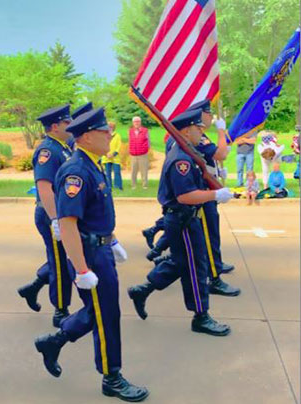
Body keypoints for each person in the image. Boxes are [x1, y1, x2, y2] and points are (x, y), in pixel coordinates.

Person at [35, 107, 149, 402]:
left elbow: (94, 216)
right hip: (89, 254)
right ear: (86, 136)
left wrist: (112, 240)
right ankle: (112, 377)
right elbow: (69, 224)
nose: (110, 134)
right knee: (107, 315)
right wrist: (82, 269)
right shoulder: (77, 171)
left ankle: (55, 341)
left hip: (100, 249)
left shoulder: (92, 164)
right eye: (104, 131)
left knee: (101, 310)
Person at [129, 108, 235, 336]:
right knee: (197, 268)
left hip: (185, 219)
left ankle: (143, 289)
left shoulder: (188, 153)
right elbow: (185, 196)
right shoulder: (182, 160)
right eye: (199, 127)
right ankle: (201, 316)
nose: (202, 131)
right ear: (187, 130)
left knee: (181, 263)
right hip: (183, 219)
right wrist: (215, 195)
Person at [17, 104, 74, 327]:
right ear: (55, 126)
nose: (70, 125)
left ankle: (32, 288)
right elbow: (44, 187)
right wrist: (55, 219)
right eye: (66, 122)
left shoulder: (64, 148)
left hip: (63, 213)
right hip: (52, 213)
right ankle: (60, 310)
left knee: (60, 257)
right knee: (60, 262)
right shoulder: (48, 151)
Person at [128, 116, 150, 189]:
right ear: (133, 123)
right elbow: (129, 141)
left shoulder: (145, 130)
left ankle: (145, 185)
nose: (136, 123)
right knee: (133, 170)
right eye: (135, 122)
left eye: (138, 121)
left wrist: (146, 149)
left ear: (140, 122)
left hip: (143, 154)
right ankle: (133, 185)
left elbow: (148, 141)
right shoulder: (130, 131)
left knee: (144, 170)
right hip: (133, 154)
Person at [102, 121, 123, 190]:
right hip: (106, 157)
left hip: (115, 157)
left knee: (117, 172)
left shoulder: (117, 136)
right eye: (108, 127)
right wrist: (106, 153)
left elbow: (119, 146)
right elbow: (102, 145)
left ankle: (118, 186)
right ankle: (109, 186)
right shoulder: (104, 135)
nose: (110, 128)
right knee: (107, 173)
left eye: (111, 127)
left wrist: (114, 154)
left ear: (113, 128)